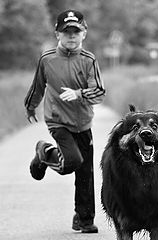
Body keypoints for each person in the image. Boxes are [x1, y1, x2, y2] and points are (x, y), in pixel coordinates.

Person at [24, 9, 105, 233]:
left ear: (84, 33)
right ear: (57, 34)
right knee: (71, 162)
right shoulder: (47, 59)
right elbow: (38, 86)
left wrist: (79, 94)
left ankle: (84, 219)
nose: (71, 36)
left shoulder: (89, 60)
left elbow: (99, 91)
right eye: (66, 32)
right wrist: (30, 106)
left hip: (83, 123)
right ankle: (46, 152)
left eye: (76, 32)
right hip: (58, 121)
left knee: (85, 173)